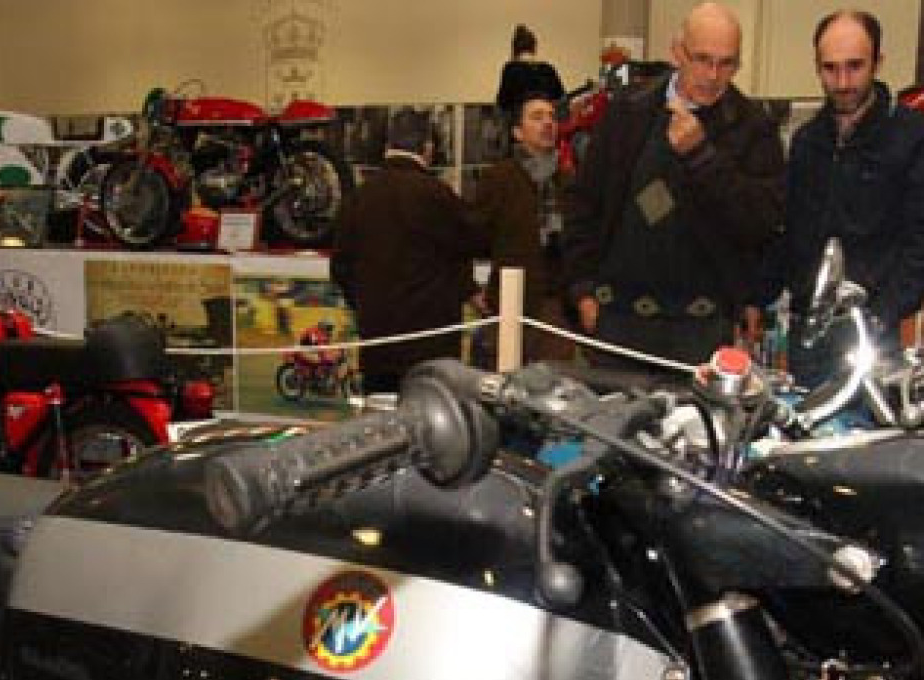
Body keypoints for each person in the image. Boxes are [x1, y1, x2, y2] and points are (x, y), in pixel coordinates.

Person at [562, 2, 785, 367]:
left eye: (727, 63)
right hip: (617, 320)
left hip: (703, 329)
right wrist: (582, 290)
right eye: (702, 59)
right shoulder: (627, 111)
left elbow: (761, 222)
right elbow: (583, 203)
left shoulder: (753, 127)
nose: (713, 75)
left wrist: (702, 157)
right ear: (677, 52)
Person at [754, 9, 924, 386]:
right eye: (830, 68)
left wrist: (883, 314)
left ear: (878, 62)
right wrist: (757, 298)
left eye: (854, 66)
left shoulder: (913, 137)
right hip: (807, 337)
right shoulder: (806, 142)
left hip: (875, 338)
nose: (843, 82)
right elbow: (789, 233)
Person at [330, 110, 485, 394]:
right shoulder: (439, 195)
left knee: (381, 417)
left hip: (377, 343)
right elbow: (473, 244)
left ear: (387, 147)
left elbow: (340, 268)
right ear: (427, 148)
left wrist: (366, 305)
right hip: (433, 346)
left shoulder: (358, 198)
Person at [472, 93, 574, 362]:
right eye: (537, 117)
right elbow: (470, 236)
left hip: (556, 305)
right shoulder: (499, 178)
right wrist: (469, 288)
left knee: (553, 382)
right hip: (509, 302)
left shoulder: (567, 180)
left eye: (551, 117)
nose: (548, 123)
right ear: (517, 132)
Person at [496, 24, 565, 115]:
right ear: (534, 47)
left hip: (523, 118)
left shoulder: (511, 69)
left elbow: (502, 103)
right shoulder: (548, 69)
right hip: (546, 117)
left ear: (515, 49)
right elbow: (561, 98)